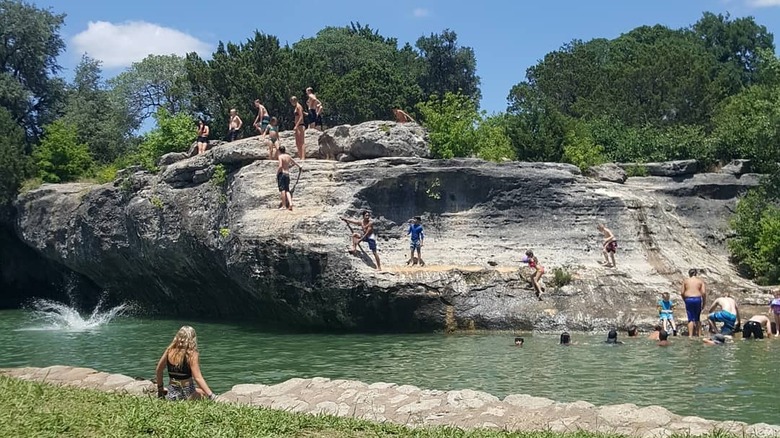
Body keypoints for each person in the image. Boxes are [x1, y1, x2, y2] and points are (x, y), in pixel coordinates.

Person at [155, 326, 216, 401]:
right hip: (188, 393)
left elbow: (159, 370)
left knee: (201, 391)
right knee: (205, 394)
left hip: (172, 393)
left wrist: (160, 389)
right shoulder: (192, 354)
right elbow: (198, 378)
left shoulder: (169, 351)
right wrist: (211, 396)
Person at [682, 269, 707, 338]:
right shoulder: (700, 281)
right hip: (697, 299)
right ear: (696, 274)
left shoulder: (686, 281)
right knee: (697, 318)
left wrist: (685, 300)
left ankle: (690, 336)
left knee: (690, 318)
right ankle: (699, 335)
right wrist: (704, 302)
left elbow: (682, 292)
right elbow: (704, 293)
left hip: (688, 299)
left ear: (689, 274)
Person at [276, 146, 301, 211]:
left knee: (282, 190)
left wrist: (277, 173)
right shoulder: (288, 156)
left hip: (282, 174)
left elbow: (280, 166)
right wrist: (299, 166)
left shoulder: (280, 157)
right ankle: (290, 203)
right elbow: (294, 162)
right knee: (287, 190)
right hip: (287, 174)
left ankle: (284, 205)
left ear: (279, 151)